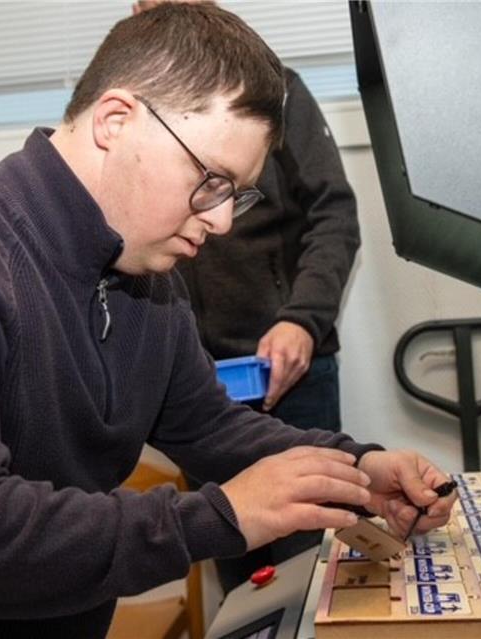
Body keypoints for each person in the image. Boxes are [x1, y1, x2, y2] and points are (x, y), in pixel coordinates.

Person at [0, 5, 456, 639]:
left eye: (236, 197)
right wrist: (223, 515)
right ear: (116, 121)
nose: (219, 221)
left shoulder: (150, 285)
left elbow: (213, 427)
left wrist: (357, 468)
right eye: (211, 180)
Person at [137, 0, 362, 592]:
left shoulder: (278, 90)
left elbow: (335, 216)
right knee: (241, 573)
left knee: (313, 564)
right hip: (201, 379)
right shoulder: (140, 103)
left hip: (291, 366)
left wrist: (303, 320)